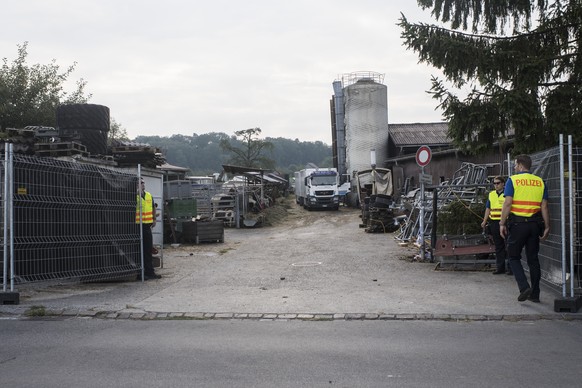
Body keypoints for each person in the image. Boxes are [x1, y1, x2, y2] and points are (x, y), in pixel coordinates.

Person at [500, 155, 550, 303]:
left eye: (515, 165)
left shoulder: (513, 180)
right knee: (533, 260)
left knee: (514, 257)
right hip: (535, 225)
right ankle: (535, 294)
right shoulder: (540, 182)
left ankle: (524, 287)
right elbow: (544, 206)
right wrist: (547, 226)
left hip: (518, 225)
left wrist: (502, 223)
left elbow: (508, 203)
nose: (514, 168)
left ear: (521, 165)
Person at [481, 176, 511, 275]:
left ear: (503, 183)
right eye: (494, 183)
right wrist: (484, 221)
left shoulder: (508, 194)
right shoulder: (491, 194)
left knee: (508, 244)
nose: (496, 185)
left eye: (498, 183)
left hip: (505, 222)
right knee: (498, 246)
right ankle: (500, 268)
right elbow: (488, 208)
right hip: (494, 222)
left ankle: (511, 268)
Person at [136, 179, 161, 280]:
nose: (143, 184)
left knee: (147, 250)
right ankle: (140, 274)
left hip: (147, 226)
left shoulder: (148, 195)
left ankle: (150, 272)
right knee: (138, 251)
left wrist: (154, 219)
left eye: (143, 182)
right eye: (141, 183)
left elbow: (153, 207)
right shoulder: (134, 196)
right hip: (137, 226)